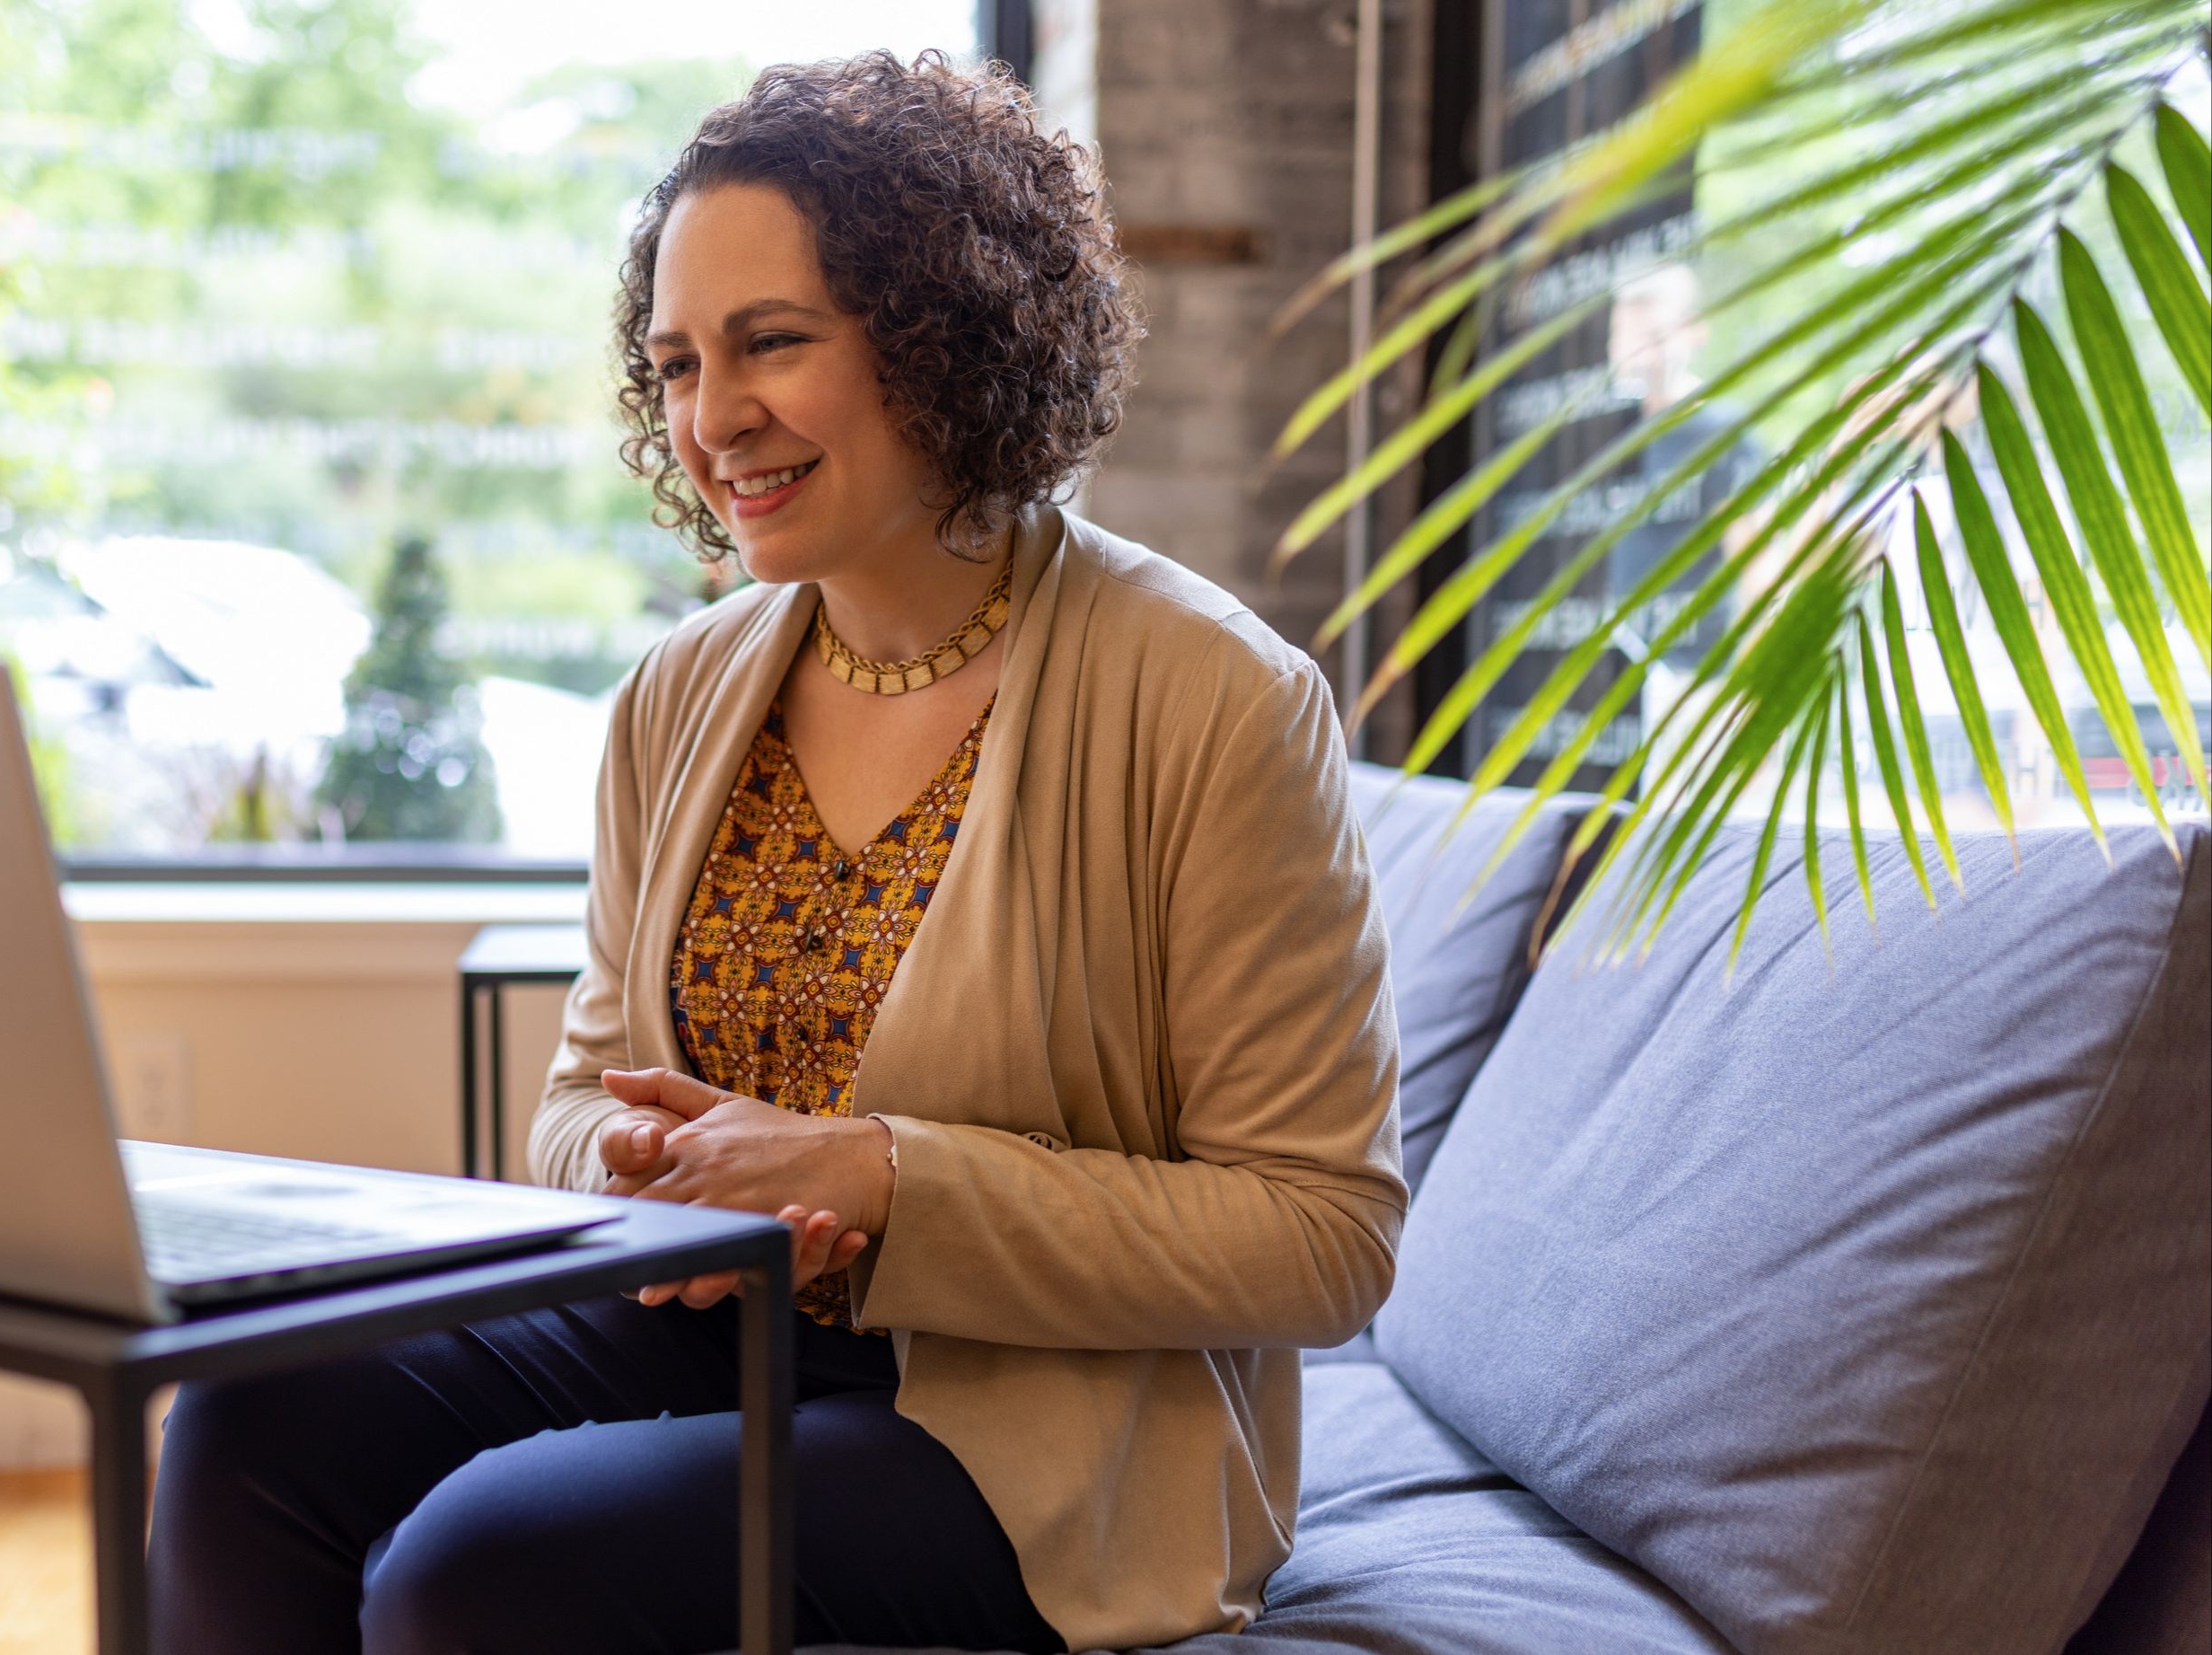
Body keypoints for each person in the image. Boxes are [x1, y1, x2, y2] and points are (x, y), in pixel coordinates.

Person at [148, 49, 1406, 1655]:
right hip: (714, 1333)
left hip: (1045, 1426)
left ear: (948, 340)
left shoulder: (1214, 701)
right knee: (253, 1417)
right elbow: (576, 1099)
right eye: (674, 362)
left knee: (481, 1569)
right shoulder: (680, 694)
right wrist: (638, 1170)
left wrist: (877, 1179)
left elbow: (1323, 1235)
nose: (708, 417)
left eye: (771, 343)